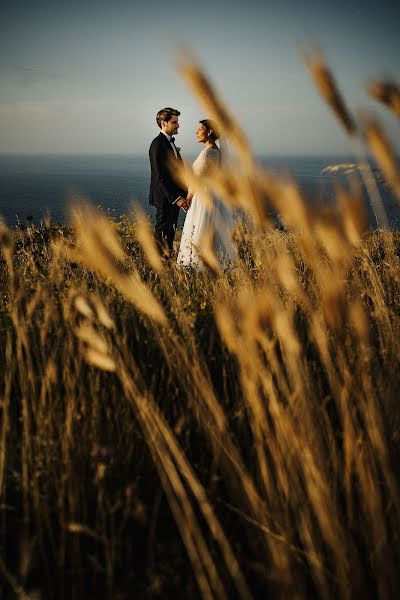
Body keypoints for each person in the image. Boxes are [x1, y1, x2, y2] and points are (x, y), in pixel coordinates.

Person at [177, 119, 235, 268]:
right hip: (213, 197)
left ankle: (195, 265)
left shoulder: (208, 153)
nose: (196, 132)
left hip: (202, 198)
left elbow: (196, 181)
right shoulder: (217, 152)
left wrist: (187, 200)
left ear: (209, 132)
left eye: (200, 129)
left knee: (199, 229)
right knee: (208, 230)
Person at [149, 107, 189, 254]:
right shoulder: (157, 144)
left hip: (174, 197)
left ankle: (167, 261)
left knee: (170, 233)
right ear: (163, 123)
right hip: (165, 197)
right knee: (162, 232)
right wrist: (176, 198)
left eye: (177, 122)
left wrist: (185, 194)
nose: (178, 125)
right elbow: (160, 177)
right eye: (174, 122)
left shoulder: (170, 143)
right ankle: (159, 266)